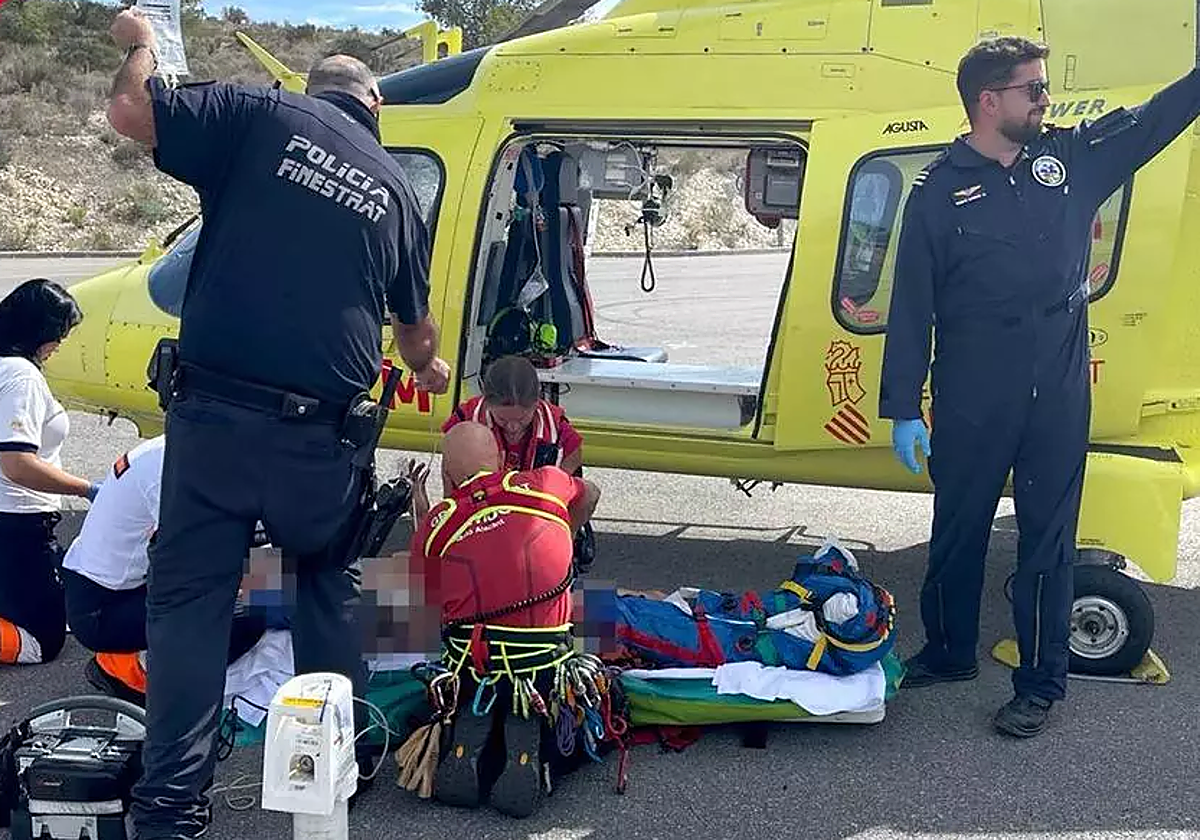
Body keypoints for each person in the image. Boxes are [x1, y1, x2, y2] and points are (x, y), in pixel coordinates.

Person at [104, 8, 451, 838]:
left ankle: (169, 809)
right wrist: (429, 369)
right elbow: (415, 334)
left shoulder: (256, 113)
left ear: (311, 90)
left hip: (216, 419)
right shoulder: (396, 190)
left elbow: (130, 111)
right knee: (324, 585)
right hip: (319, 441)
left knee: (190, 603)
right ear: (375, 107)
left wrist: (140, 42)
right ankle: (340, 770)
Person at [879, 36, 1200, 738]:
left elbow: (1153, 121)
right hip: (972, 387)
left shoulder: (1072, 159)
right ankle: (949, 651)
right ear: (988, 101)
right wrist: (902, 406)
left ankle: (1040, 684)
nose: (1046, 101)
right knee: (958, 529)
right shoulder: (936, 191)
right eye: (1033, 89)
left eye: (1045, 87)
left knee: (1049, 543)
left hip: (1056, 388)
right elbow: (911, 305)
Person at [405, 422, 603, 818]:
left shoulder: (439, 521)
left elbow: (424, 597)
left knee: (452, 679)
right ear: (500, 459)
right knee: (592, 688)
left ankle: (469, 728)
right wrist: (564, 532)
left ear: (448, 474)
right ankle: (531, 739)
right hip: (542, 667)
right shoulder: (545, 483)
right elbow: (592, 492)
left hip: (472, 666)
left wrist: (424, 510)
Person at [60, 435, 274, 704]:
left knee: (272, 590)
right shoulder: (181, 471)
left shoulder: (187, 444)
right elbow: (201, 567)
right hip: (103, 609)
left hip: (115, 586)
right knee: (251, 614)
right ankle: (132, 673)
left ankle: (136, 655)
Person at [0, 278, 97, 667]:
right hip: (17, 521)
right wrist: (86, 489)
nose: (60, 344)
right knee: (43, 641)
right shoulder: (21, 376)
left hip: (11, 519)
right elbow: (17, 464)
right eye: (60, 334)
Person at [440, 354, 595, 571]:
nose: (513, 428)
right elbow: (450, 481)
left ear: (537, 404)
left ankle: (563, 554)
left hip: (535, 511)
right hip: (480, 513)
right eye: (503, 420)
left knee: (589, 492)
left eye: (522, 419)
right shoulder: (465, 420)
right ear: (487, 403)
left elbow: (572, 467)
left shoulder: (557, 428)